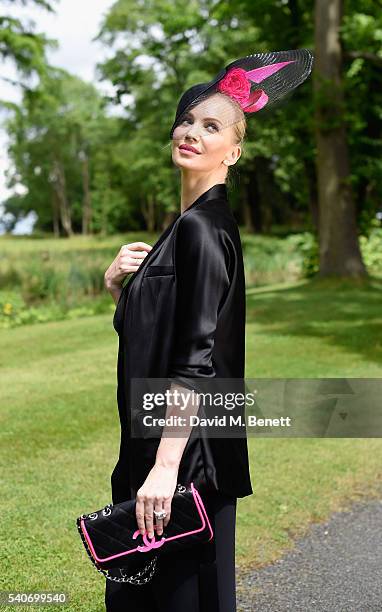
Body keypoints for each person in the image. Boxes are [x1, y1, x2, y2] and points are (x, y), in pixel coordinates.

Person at [103, 49, 314, 612]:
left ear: (235, 152)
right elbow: (160, 335)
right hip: (164, 453)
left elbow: (195, 363)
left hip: (181, 463)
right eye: (188, 119)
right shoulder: (185, 228)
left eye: (212, 125)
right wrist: (121, 285)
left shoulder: (201, 229)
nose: (192, 131)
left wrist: (164, 469)